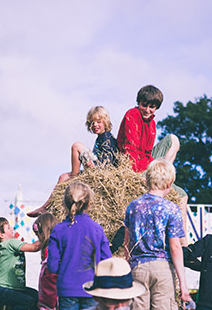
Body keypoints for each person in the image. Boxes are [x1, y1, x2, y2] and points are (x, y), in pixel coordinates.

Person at [116, 85, 189, 244]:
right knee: (178, 193)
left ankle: (185, 246)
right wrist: (145, 172)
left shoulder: (152, 124)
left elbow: (148, 152)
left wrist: (154, 167)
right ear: (138, 102)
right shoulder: (132, 115)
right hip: (134, 168)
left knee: (182, 195)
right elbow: (130, 152)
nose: (147, 109)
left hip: (148, 165)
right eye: (144, 104)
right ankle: (159, 176)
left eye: (152, 107)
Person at [123, 159, 192, 309]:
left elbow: (126, 244)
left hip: (138, 268)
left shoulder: (133, 206)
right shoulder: (171, 208)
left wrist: (128, 270)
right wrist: (183, 285)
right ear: (169, 184)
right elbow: (175, 248)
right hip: (163, 270)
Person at [28, 106, 119, 217]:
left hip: (101, 173)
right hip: (95, 170)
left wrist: (95, 166)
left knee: (76, 146)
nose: (95, 125)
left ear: (105, 121)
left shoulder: (107, 138)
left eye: (98, 122)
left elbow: (108, 162)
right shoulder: (100, 138)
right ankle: (45, 207)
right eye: (92, 122)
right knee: (62, 177)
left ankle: (75, 179)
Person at [48, 181, 112, 310]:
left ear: (65, 203)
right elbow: (107, 261)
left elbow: (53, 266)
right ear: (89, 204)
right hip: (92, 289)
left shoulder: (58, 230)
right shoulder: (97, 229)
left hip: (67, 289)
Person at [0, 217, 43, 310]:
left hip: (9, 289)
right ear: (1, 235)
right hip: (2, 289)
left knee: (35, 296)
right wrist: (47, 235)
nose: (12, 228)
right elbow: (34, 247)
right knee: (28, 300)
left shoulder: (6, 245)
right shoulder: (10, 243)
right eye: (8, 227)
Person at [33, 213, 59, 310]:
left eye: (38, 235)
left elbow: (51, 277)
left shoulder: (51, 250)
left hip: (50, 298)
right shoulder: (52, 248)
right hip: (49, 296)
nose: (38, 238)